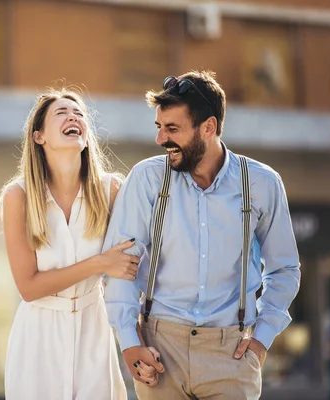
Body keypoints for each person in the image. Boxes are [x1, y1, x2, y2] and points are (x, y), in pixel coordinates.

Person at [103, 70, 301, 399]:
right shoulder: (147, 180)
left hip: (232, 354)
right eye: (159, 127)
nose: (160, 139)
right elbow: (121, 265)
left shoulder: (262, 184)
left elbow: (284, 269)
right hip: (158, 352)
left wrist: (261, 341)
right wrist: (129, 342)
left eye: (173, 129)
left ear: (208, 128)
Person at [0, 88, 133, 399]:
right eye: (62, 113)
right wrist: (99, 264)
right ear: (39, 136)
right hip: (38, 339)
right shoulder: (18, 197)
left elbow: (130, 269)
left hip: (94, 331)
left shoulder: (112, 190)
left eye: (79, 114)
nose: (74, 117)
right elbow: (29, 288)